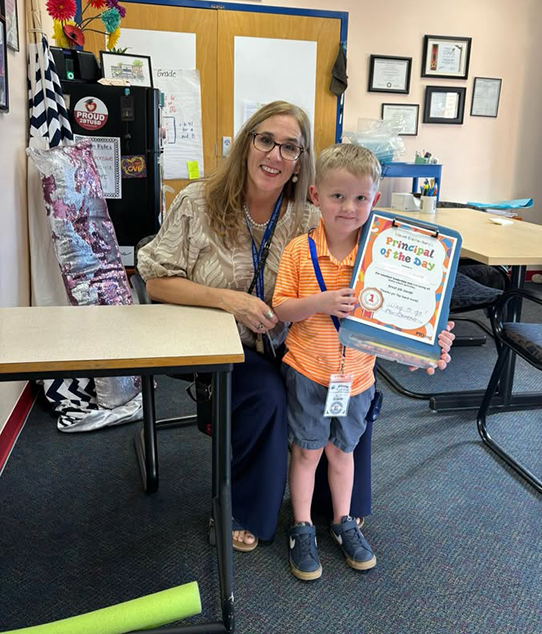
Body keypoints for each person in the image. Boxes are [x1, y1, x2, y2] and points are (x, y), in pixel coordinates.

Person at [137, 100, 372, 552]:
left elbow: (366, 266)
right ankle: (247, 510)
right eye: (266, 140)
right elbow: (157, 280)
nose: (275, 155)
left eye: (290, 147)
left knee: (352, 380)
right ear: (248, 143)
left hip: (298, 342)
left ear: (301, 160)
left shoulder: (310, 214)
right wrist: (228, 300)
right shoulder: (197, 202)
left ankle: (337, 506)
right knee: (266, 395)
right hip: (227, 344)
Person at [273, 144, 454, 581]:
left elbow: (407, 321)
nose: (349, 207)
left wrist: (429, 342)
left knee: (343, 452)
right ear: (315, 195)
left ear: (375, 200)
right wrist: (321, 302)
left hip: (357, 380)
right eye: (337, 196)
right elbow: (280, 309)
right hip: (308, 372)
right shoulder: (300, 251)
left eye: (360, 198)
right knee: (307, 453)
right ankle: (301, 527)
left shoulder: (384, 256)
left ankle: (343, 520)